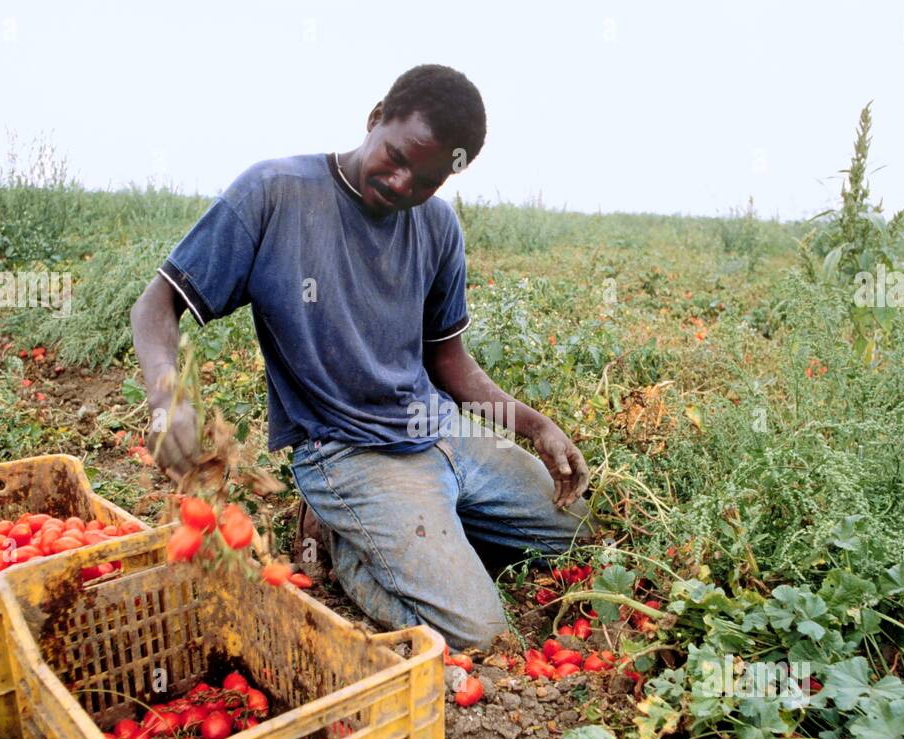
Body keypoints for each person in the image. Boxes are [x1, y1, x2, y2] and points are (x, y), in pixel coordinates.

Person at [130, 64, 595, 650]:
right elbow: (156, 306)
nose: (403, 184)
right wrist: (167, 396)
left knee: (576, 535)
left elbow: (450, 365)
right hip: (348, 449)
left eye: (426, 180)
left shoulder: (437, 225)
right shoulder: (275, 193)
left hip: (440, 430)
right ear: (375, 118)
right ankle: (342, 546)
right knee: (480, 633)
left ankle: (421, 531)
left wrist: (534, 425)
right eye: (397, 157)